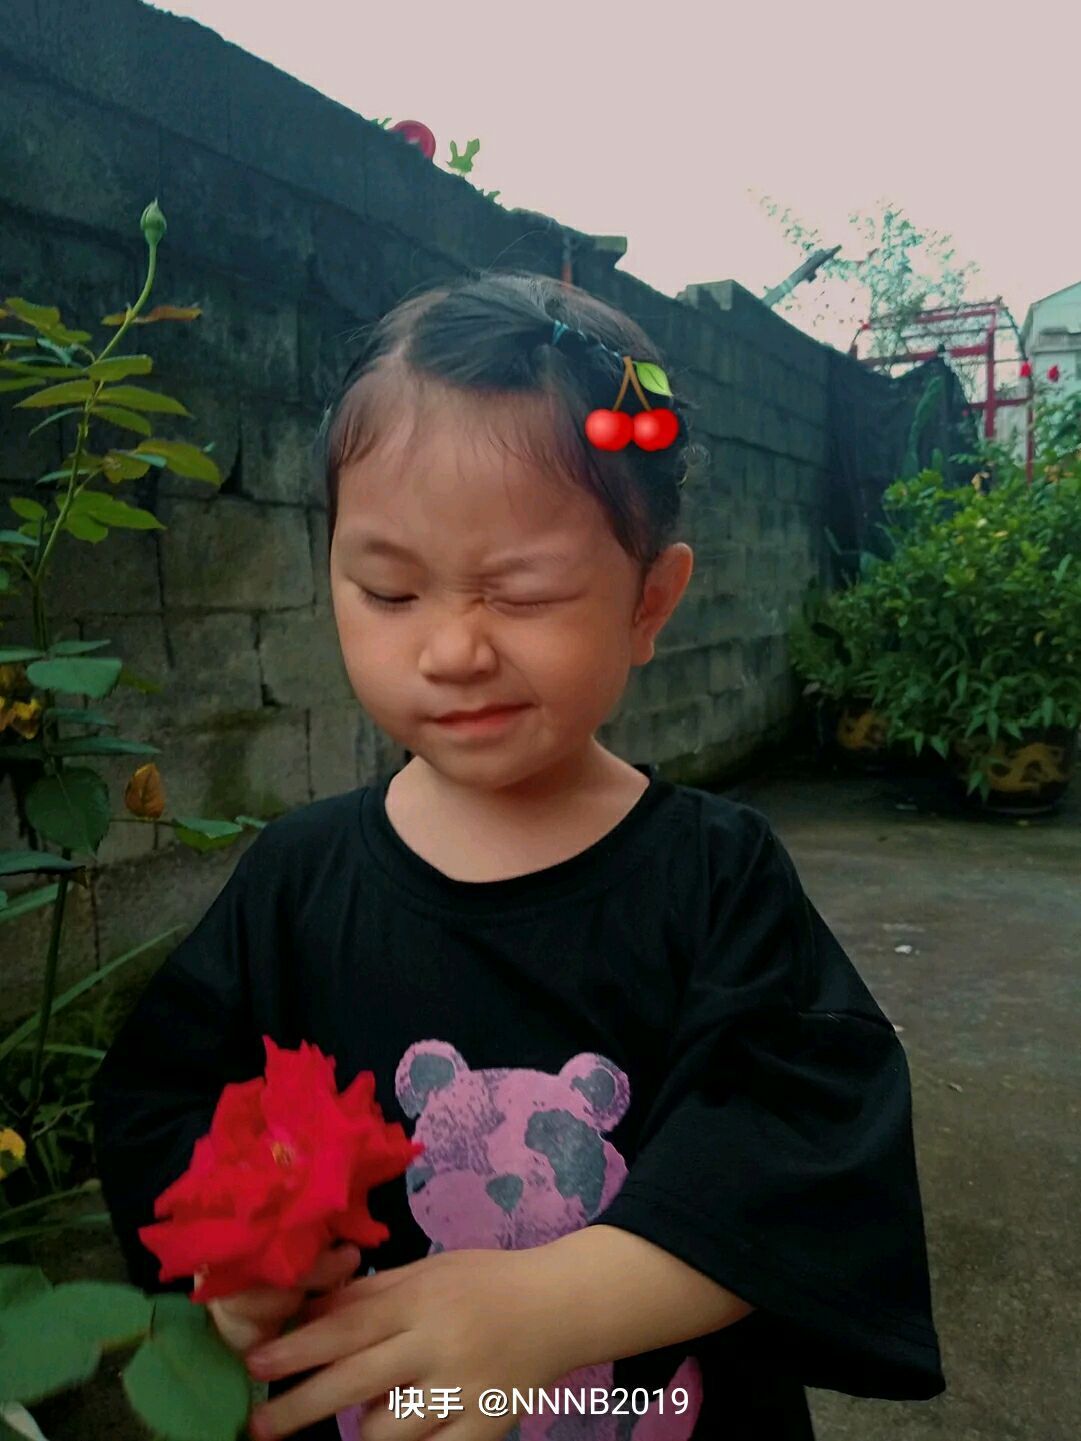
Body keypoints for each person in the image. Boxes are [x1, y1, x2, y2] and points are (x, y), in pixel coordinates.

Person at [92, 271, 945, 1441]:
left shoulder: (715, 877)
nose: (451, 649)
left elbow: (804, 1140)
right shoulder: (296, 879)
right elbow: (163, 1102)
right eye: (389, 590)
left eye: (525, 592)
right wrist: (231, 1266)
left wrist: (554, 1304)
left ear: (649, 602)